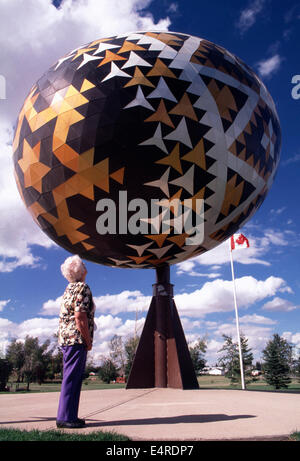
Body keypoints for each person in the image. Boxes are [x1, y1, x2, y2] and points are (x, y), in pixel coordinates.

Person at [56, 254, 95, 429]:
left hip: (65, 339)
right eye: (83, 264)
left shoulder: (68, 289)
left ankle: (70, 415)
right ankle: (65, 418)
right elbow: (80, 317)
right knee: (72, 378)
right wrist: (88, 341)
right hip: (76, 340)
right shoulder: (82, 288)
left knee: (71, 377)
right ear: (80, 270)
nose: (86, 266)